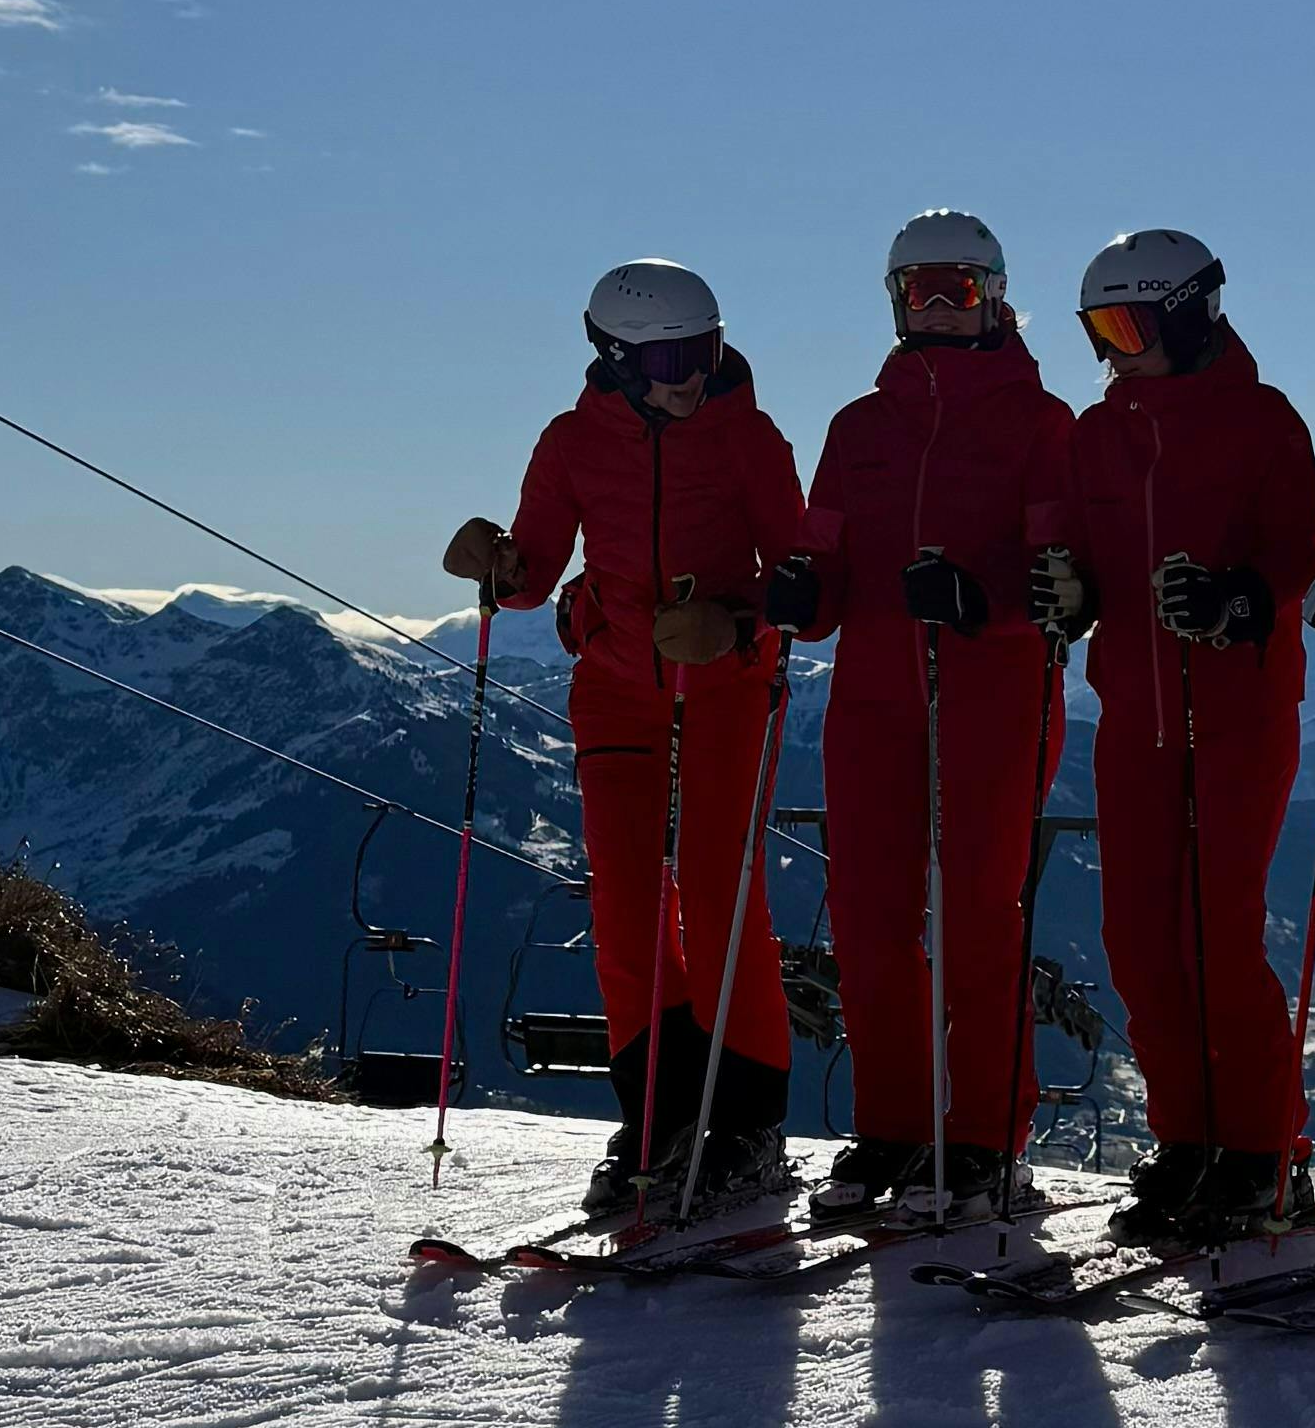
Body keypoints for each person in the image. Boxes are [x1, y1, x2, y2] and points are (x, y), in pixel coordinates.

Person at [443, 260, 807, 1220]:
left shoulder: (751, 439)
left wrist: (739, 624)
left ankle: (746, 1130)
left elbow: (807, 584)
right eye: (671, 359)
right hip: (617, 694)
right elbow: (533, 571)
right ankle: (655, 1121)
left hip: (727, 687)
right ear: (615, 359)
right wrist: (497, 565)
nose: (693, 374)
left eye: (707, 349)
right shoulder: (571, 443)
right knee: (627, 906)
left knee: (725, 897)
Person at [775, 212, 1078, 1218]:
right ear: (894, 300)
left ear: (996, 294)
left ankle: (987, 1136)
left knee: (980, 916)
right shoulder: (857, 429)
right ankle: (894, 1125)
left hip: (992, 694)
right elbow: (822, 572)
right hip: (872, 700)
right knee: (867, 918)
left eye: (958, 286)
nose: (939, 305)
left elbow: (1055, 579)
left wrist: (979, 602)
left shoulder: (1042, 424)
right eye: (919, 289)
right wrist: (795, 592)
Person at [1026, 231, 1315, 1246]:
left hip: (1237, 712)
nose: (1116, 352)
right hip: (1137, 715)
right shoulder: (1097, 435)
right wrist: (1067, 594)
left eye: (1132, 327)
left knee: (1217, 931)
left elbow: (1296, 552)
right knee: (1138, 937)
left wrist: (1241, 601)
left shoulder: (1262, 420)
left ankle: (1265, 1149)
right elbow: (1079, 553)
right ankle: (1190, 1141)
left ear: (1193, 314)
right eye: (1098, 332)